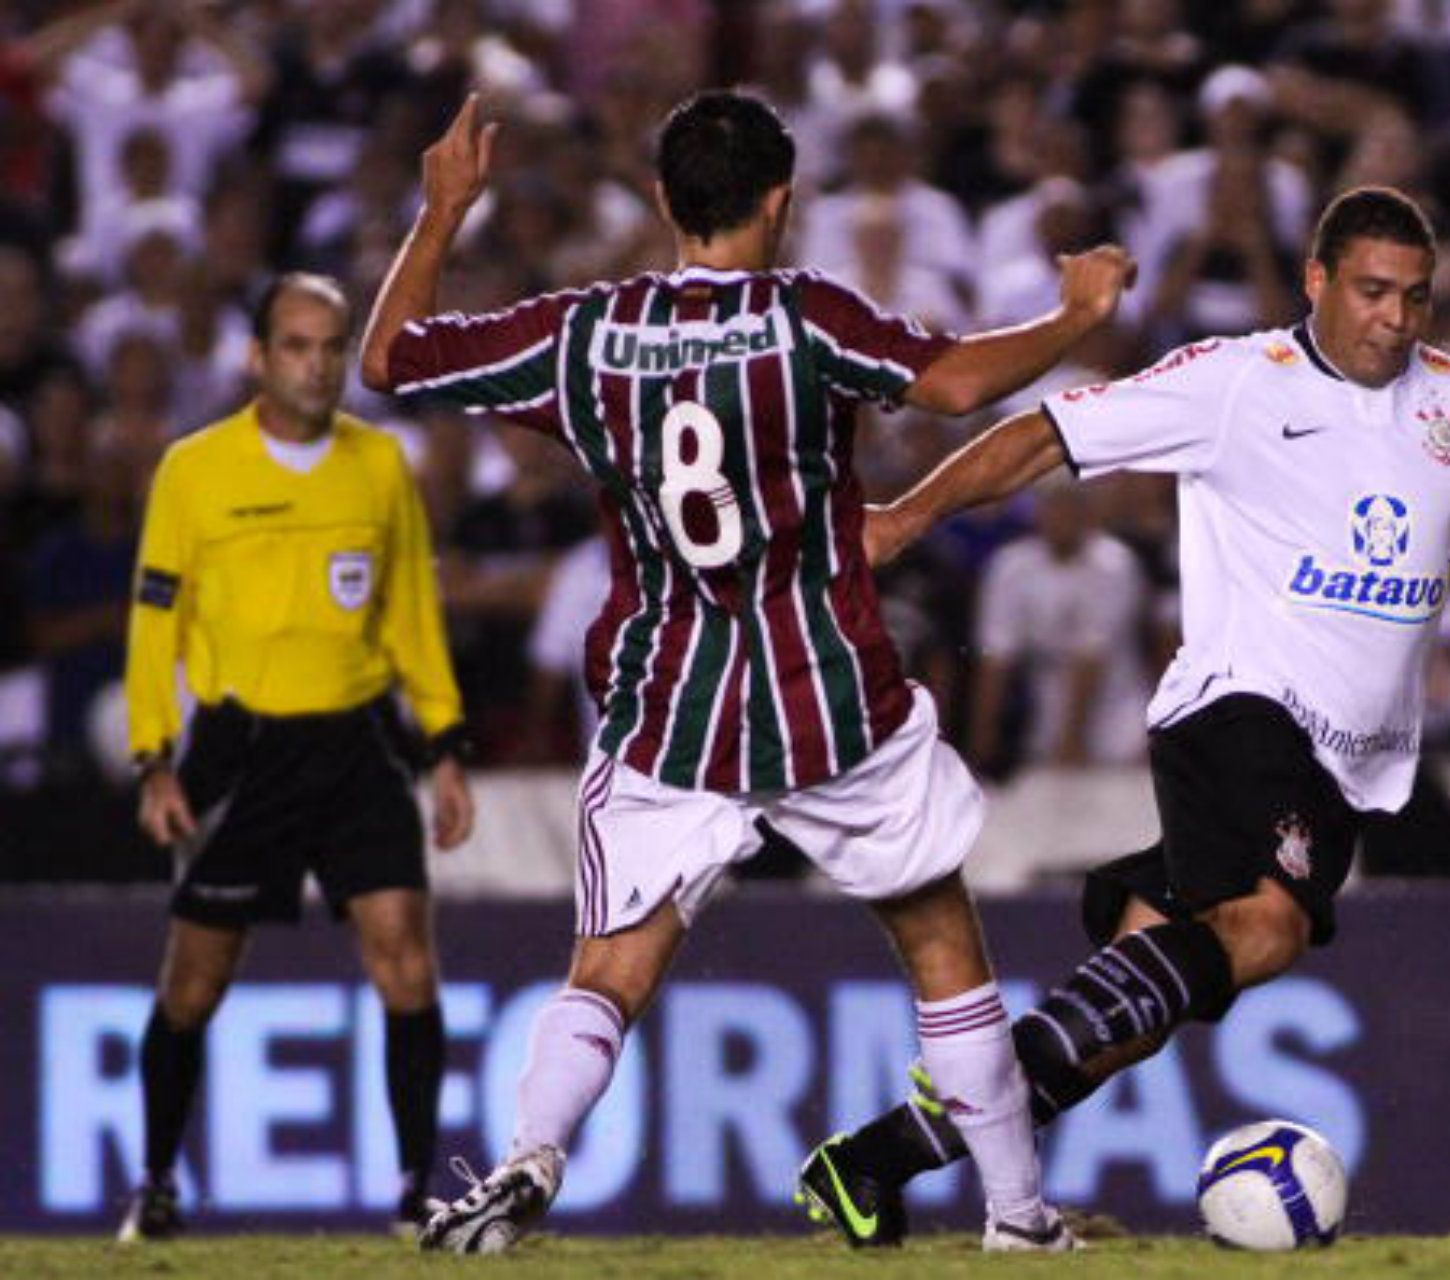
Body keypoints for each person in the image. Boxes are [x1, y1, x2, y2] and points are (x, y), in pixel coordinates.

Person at [804, 186, 1450, 1246]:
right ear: (1317, 280)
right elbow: (1044, 435)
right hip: (1239, 707)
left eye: (1418, 296)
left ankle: (881, 1157)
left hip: (1348, 763)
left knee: (1134, 1010)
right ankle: (967, 1145)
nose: (1397, 318)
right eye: (1374, 291)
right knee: (1268, 924)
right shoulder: (1233, 382)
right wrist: (905, 517)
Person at [358, 91, 1134, 1254]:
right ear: (782, 202)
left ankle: (530, 1151)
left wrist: (444, 210)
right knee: (939, 944)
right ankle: (1018, 1215)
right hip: (828, 696)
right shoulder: (803, 320)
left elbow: (390, 358)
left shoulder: (585, 333)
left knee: (609, 971)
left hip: (670, 704)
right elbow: (962, 384)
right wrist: (1075, 311)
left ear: (665, 200)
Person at [119, 272, 476, 1241]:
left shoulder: (380, 466)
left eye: (331, 346)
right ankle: (155, 1181)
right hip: (242, 753)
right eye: (297, 345)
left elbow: (412, 612)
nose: (318, 365)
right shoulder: (195, 470)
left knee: (407, 959)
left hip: (357, 741)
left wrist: (443, 744)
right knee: (194, 980)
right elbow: (155, 620)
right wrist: (155, 755)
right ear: (257, 357)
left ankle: (413, 1191)